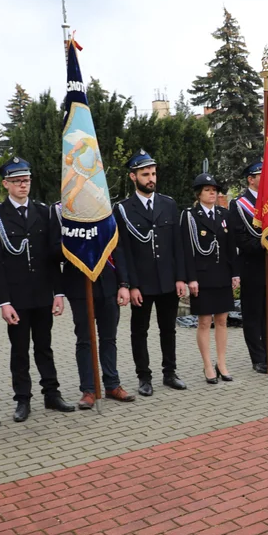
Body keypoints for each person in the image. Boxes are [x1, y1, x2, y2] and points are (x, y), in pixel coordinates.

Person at [0, 156, 74, 422]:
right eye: (17, 181)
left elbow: (51, 257)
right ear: (6, 184)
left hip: (42, 293)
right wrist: (5, 302)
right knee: (20, 350)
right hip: (16, 296)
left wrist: (58, 293)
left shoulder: (44, 211)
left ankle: (52, 394)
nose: (23, 186)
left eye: (26, 180)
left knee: (44, 346)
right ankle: (23, 399)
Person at [115, 150, 187, 396]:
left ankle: (170, 373)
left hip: (167, 279)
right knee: (140, 331)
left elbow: (177, 244)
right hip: (141, 283)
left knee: (169, 329)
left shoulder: (168, 204)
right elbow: (122, 251)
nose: (151, 178)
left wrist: (180, 277)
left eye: (153, 173)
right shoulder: (123, 209)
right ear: (133, 176)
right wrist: (130, 284)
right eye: (145, 174)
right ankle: (144, 377)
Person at [60, 212, 135, 408]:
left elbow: (118, 250)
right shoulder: (66, 215)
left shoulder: (105, 214)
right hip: (80, 287)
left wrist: (124, 284)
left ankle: (112, 384)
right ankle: (89, 389)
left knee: (109, 338)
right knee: (85, 339)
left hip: (108, 285)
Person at [231, 160, 268, 373]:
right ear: (250, 179)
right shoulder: (239, 204)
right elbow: (239, 238)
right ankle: (257, 358)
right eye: (260, 176)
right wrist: (262, 245)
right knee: (253, 315)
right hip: (253, 267)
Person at [181, 172, 239, 384]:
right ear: (199, 194)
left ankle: (221, 363)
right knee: (205, 321)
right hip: (202, 276)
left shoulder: (224, 214)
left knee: (222, 319)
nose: (212, 193)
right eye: (207, 190)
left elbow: (231, 246)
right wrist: (191, 278)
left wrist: (235, 273)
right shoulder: (190, 216)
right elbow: (187, 249)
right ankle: (207, 365)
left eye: (214, 190)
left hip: (222, 273)